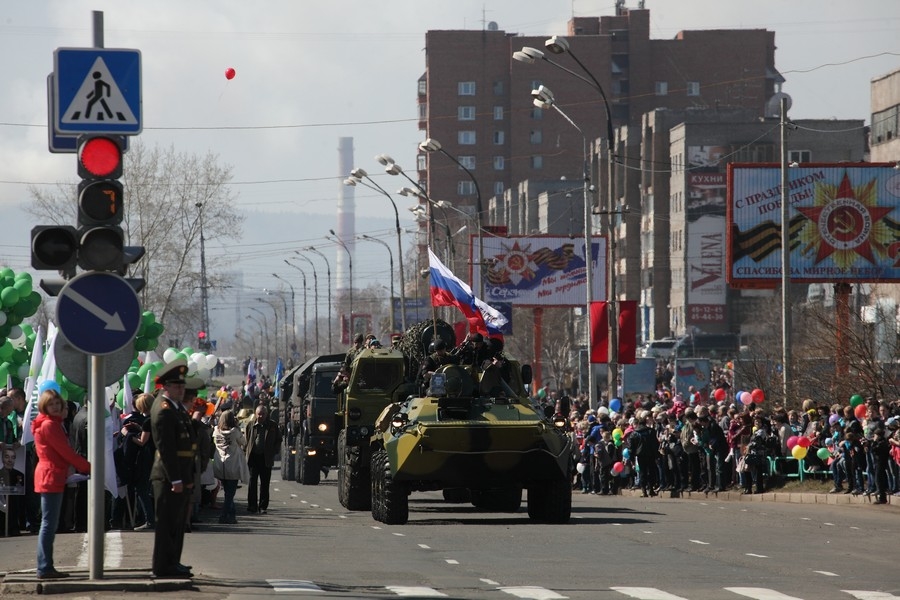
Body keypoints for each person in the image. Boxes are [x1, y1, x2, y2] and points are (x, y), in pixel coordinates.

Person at [31, 381, 91, 580]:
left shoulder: (49, 423)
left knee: (49, 523)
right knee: (48, 524)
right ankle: (44, 567)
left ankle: (46, 565)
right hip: (51, 475)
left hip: (50, 474)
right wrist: (88, 466)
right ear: (44, 406)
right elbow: (66, 453)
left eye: (58, 403)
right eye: (52, 404)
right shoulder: (50, 425)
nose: (56, 407)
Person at [149, 359, 196, 579]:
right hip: (168, 476)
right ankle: (163, 566)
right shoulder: (164, 410)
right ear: (165, 386)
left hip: (180, 474)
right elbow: (166, 448)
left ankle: (173, 562)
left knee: (176, 523)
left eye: (182, 386)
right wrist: (176, 479)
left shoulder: (175, 408)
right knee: (166, 524)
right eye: (177, 386)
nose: (181, 389)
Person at [244, 404, 281, 514]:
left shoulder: (272, 426)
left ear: (266, 414)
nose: (260, 416)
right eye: (259, 414)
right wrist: (245, 450)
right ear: (255, 414)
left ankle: (263, 506)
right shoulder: (250, 425)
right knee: (252, 482)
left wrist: (274, 451)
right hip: (253, 457)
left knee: (265, 483)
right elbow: (246, 439)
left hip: (266, 458)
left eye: (263, 414)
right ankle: (252, 506)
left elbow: (279, 439)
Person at [212, 409, 248, 524]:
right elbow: (244, 442)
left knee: (228, 492)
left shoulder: (216, 431)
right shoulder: (234, 431)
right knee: (230, 493)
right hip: (232, 465)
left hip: (220, 465)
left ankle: (232, 515)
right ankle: (223, 516)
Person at [1, 445, 25, 536]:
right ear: (2, 458)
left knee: (15, 502)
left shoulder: (19, 474)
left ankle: (14, 527)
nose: (10, 460)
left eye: (13, 457)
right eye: (7, 457)